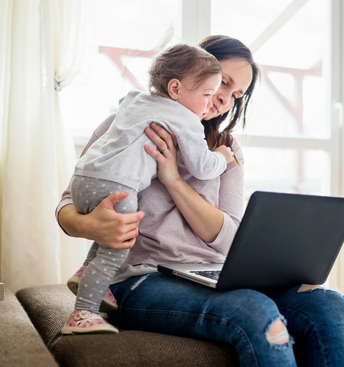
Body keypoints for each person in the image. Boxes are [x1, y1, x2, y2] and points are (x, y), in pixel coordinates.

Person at [56, 35, 344, 365]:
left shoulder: (225, 151)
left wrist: (172, 178)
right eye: (223, 84)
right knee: (253, 309)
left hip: (213, 273)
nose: (224, 100)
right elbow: (69, 201)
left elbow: (229, 237)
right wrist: (90, 225)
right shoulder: (133, 121)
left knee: (331, 304)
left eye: (236, 95)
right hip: (141, 278)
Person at [61, 44, 234, 335]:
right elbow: (203, 167)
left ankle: (86, 271)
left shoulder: (134, 100)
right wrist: (223, 158)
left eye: (235, 95)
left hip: (84, 179)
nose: (214, 102)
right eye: (208, 93)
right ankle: (83, 313)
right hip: (118, 187)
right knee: (116, 250)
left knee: (111, 235)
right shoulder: (186, 119)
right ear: (176, 88)